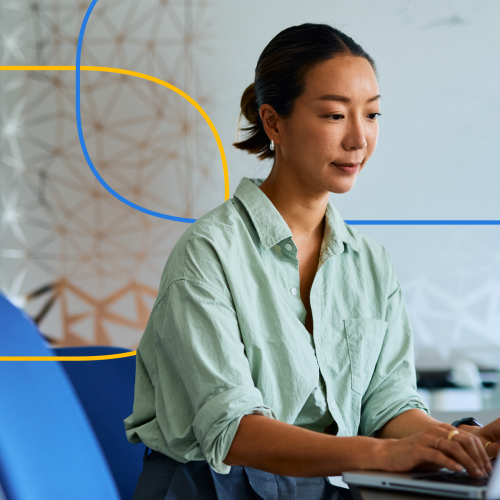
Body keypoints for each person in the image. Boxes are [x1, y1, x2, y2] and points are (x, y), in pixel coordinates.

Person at [124, 22, 499, 500]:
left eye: (373, 114)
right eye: (335, 116)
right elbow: (234, 430)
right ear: (273, 122)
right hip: (208, 489)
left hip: (317, 487)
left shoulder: (368, 262)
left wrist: (455, 441)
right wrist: (382, 454)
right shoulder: (207, 254)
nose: (359, 139)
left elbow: (386, 405)